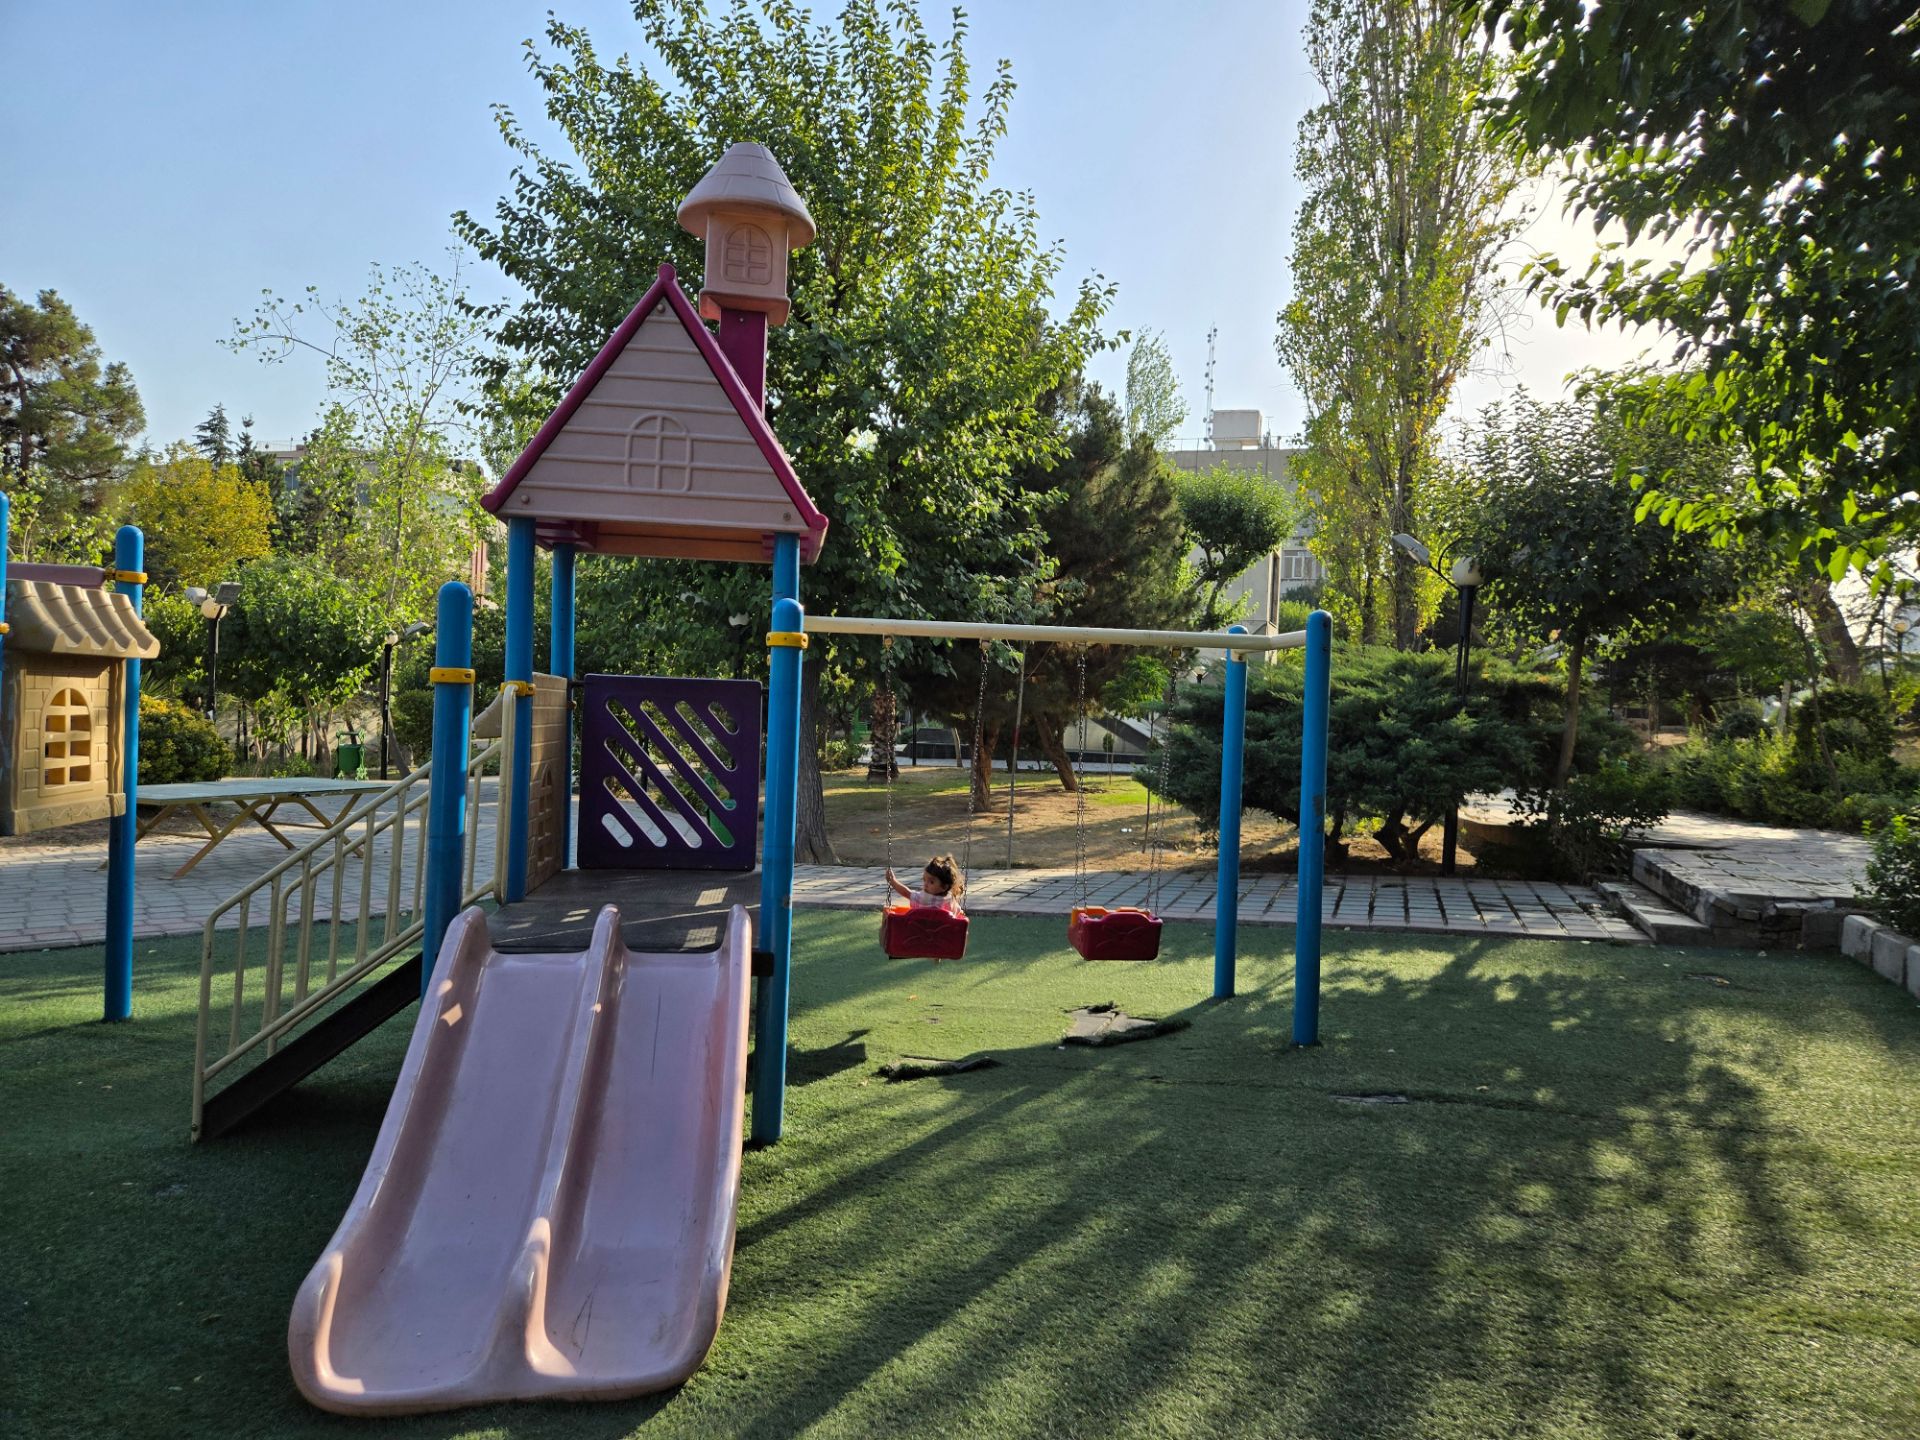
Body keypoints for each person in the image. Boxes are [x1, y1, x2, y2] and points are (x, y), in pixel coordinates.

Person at [885, 854, 965, 914]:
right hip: (941, 935)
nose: (925, 884)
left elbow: (906, 892)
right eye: (924, 880)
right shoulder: (950, 899)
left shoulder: (923, 898)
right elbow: (958, 911)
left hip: (919, 932)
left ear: (944, 887)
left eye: (931, 882)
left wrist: (893, 881)